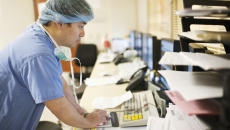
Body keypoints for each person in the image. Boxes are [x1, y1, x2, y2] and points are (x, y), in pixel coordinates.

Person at [0, 0, 109, 129]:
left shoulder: (40, 35)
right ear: (59, 23)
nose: (83, 33)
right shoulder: (39, 53)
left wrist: (81, 112)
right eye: (80, 26)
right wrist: (88, 123)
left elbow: (60, 83)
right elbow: (58, 106)